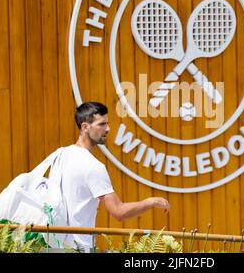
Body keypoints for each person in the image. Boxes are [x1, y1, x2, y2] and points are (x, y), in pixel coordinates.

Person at [55, 102, 170, 251]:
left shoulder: (62, 154)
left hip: (54, 245)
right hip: (78, 247)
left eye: (107, 124)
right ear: (85, 127)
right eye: (102, 124)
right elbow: (119, 212)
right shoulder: (93, 166)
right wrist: (152, 201)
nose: (108, 129)